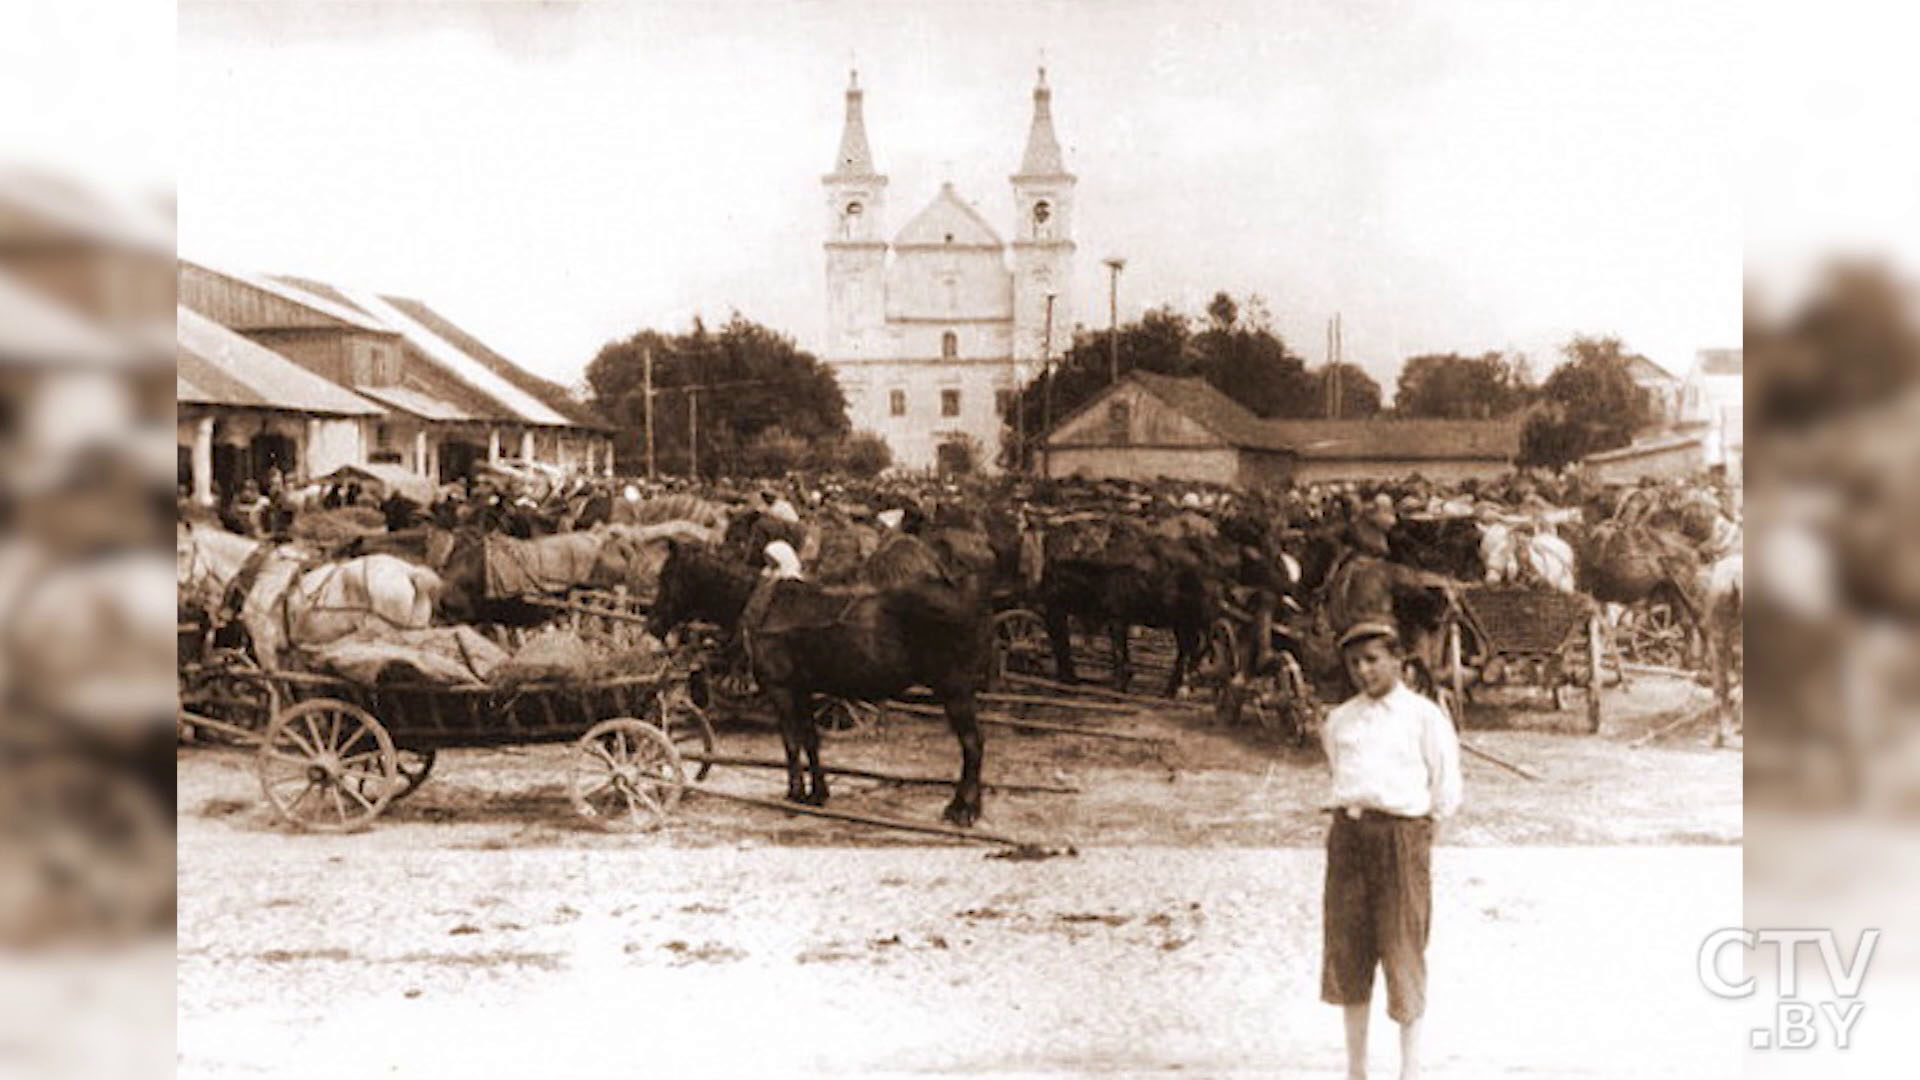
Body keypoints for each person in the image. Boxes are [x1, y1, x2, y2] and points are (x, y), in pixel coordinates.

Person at [1320, 620, 1463, 1080]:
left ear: (1397, 660)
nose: (1363, 671)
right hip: (1349, 839)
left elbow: (1445, 790)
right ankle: (1357, 1070)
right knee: (1349, 953)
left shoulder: (1424, 717)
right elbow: (1339, 772)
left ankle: (1410, 1070)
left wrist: (1416, 840)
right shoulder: (1339, 719)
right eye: (1355, 663)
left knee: (1402, 951)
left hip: (1402, 838)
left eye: (1373, 660)